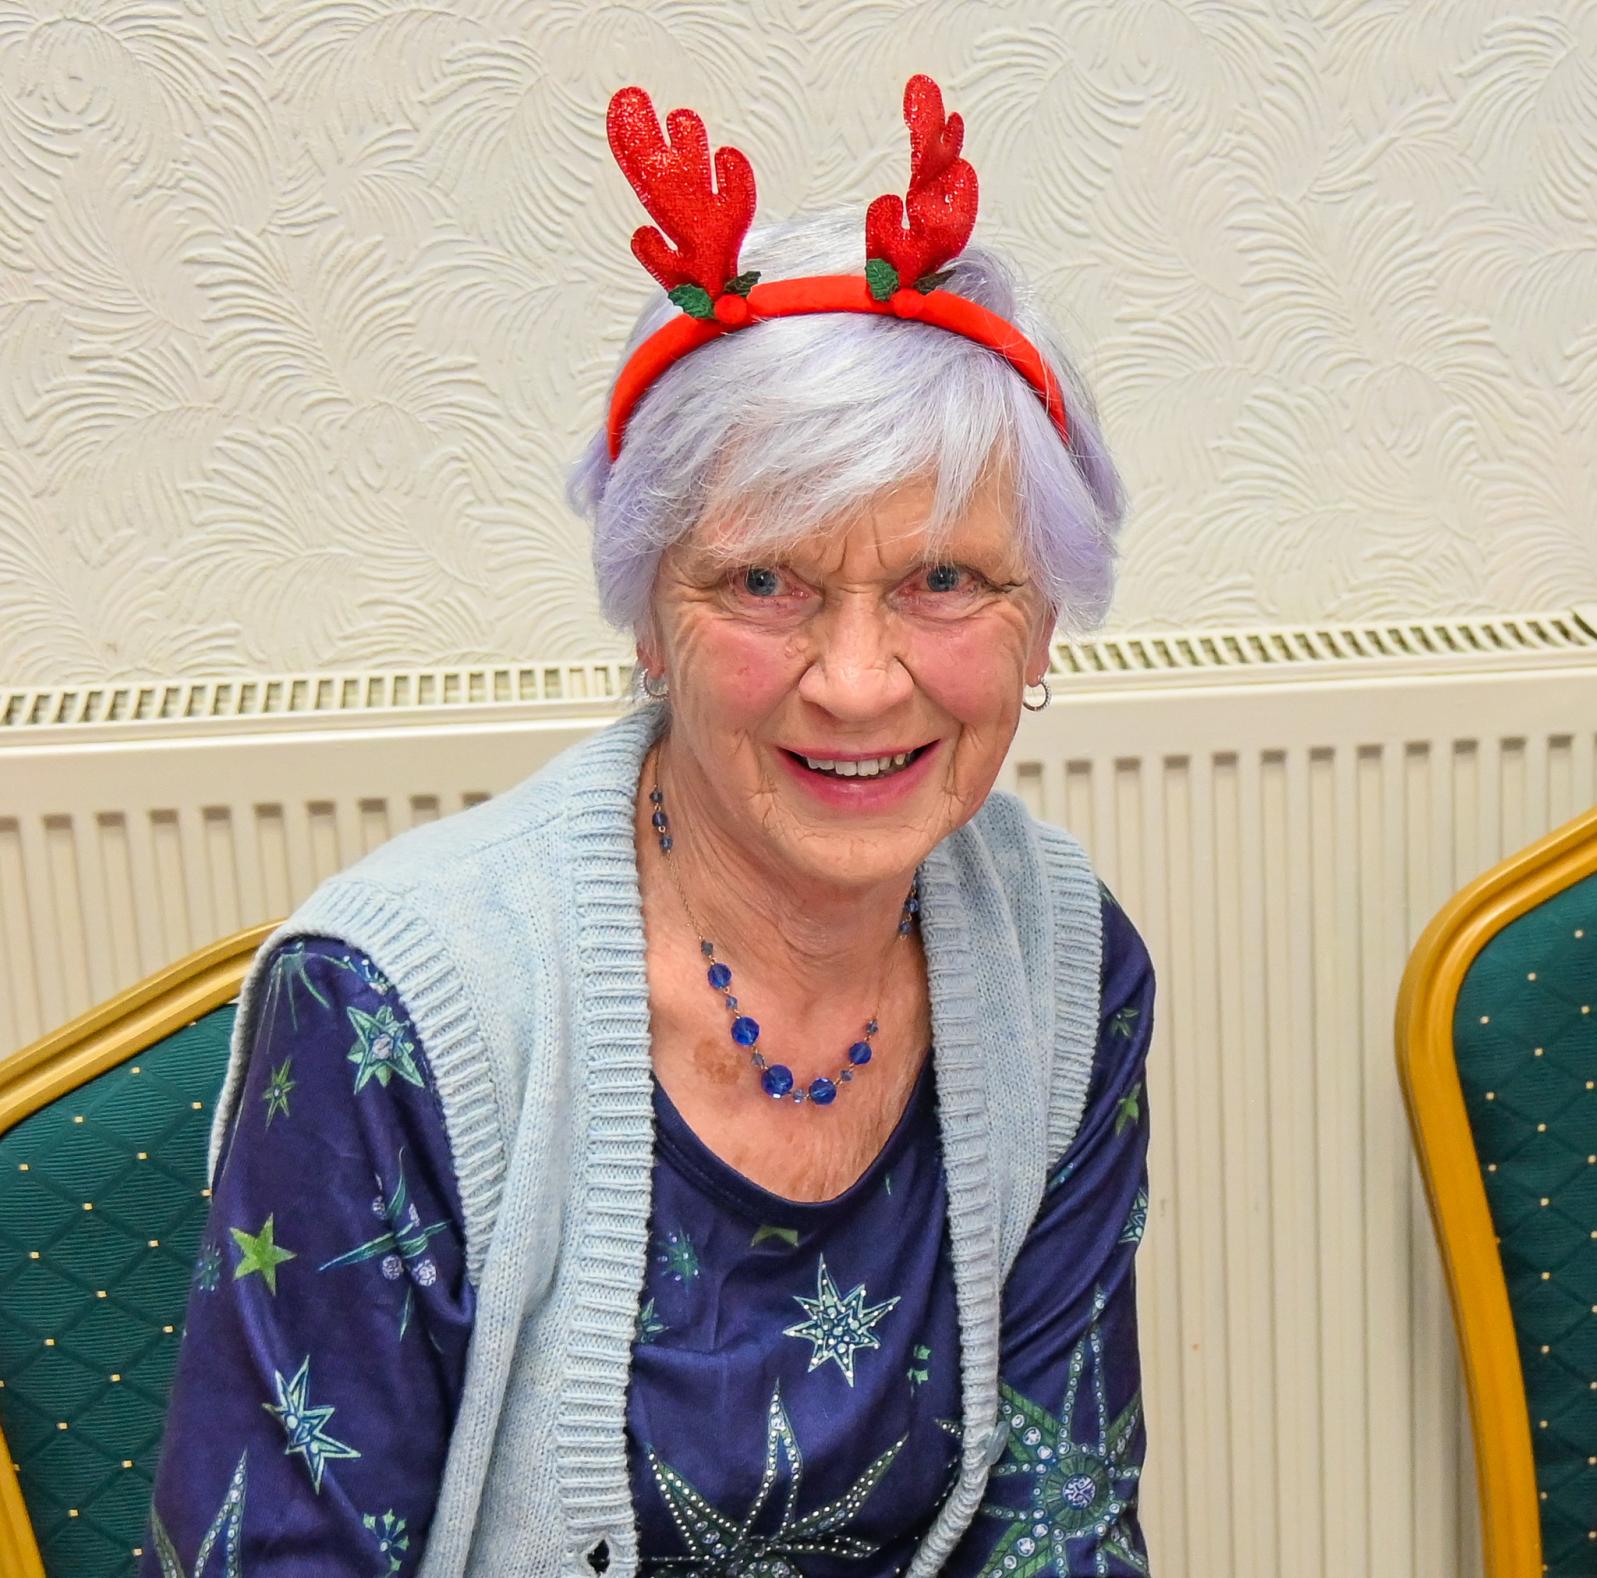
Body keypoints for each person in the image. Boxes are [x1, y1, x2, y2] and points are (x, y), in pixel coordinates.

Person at [144, 76, 1154, 1578]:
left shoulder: (1065, 962)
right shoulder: (386, 1011)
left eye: (945, 581)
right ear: (647, 621)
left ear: (1045, 619)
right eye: (763, 583)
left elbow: (1061, 1524)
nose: (859, 680)